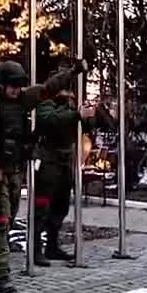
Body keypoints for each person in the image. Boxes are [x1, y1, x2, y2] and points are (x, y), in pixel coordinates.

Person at [0, 57, 84, 293]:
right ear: (2, 84)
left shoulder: (22, 100)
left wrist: (73, 72)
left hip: (14, 168)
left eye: (19, 85)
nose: (16, 90)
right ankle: (3, 274)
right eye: (12, 85)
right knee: (0, 220)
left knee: (7, 220)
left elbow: (47, 88)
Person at [33, 89, 97, 264]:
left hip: (65, 162)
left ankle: (52, 246)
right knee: (41, 208)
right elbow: (53, 120)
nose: (69, 99)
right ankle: (35, 249)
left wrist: (90, 116)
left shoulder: (72, 112)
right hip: (48, 162)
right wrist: (76, 114)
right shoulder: (46, 105)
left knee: (60, 206)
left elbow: (87, 127)